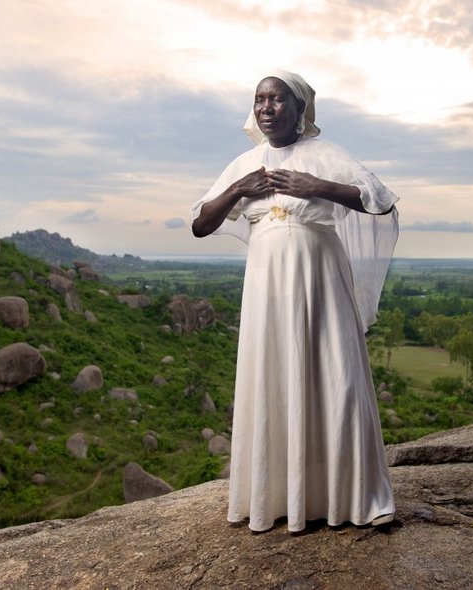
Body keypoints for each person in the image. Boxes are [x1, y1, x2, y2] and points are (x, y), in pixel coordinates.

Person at [190, 71, 399, 533]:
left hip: (320, 275)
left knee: (336, 374)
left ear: (299, 107)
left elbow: (379, 200)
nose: (267, 107)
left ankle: (357, 497)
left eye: (277, 99)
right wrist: (238, 190)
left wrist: (316, 186)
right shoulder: (245, 163)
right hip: (266, 282)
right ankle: (275, 497)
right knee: (272, 376)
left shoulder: (325, 155)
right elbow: (200, 224)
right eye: (260, 99)